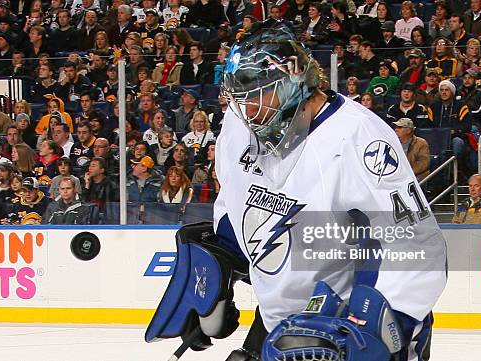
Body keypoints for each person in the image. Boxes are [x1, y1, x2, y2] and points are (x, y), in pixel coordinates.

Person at [147, 19, 447, 361]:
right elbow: (237, 204)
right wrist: (218, 268)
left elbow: (416, 246)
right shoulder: (239, 123)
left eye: (257, 95)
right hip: (281, 330)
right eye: (239, 99)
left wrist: (371, 333)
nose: (246, 111)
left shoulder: (359, 138)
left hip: (349, 330)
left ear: (292, 80)